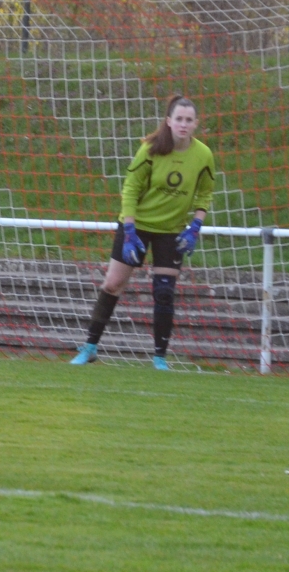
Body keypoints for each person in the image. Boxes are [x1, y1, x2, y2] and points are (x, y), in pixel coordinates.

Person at [70, 95, 214, 370]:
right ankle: (89, 347)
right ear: (168, 121)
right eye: (179, 119)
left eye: (189, 120)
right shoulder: (150, 149)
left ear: (196, 124)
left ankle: (159, 357)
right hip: (136, 226)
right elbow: (131, 189)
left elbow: (205, 193)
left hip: (170, 231)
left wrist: (195, 226)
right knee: (113, 284)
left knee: (164, 291)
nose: (183, 124)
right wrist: (130, 230)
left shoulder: (203, 155)